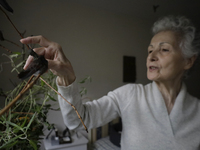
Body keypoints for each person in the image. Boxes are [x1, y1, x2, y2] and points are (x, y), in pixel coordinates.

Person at [20, 15, 200, 150]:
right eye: (150, 50)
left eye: (164, 49)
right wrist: (66, 77)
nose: (151, 56)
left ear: (188, 61)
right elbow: (78, 122)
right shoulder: (130, 94)